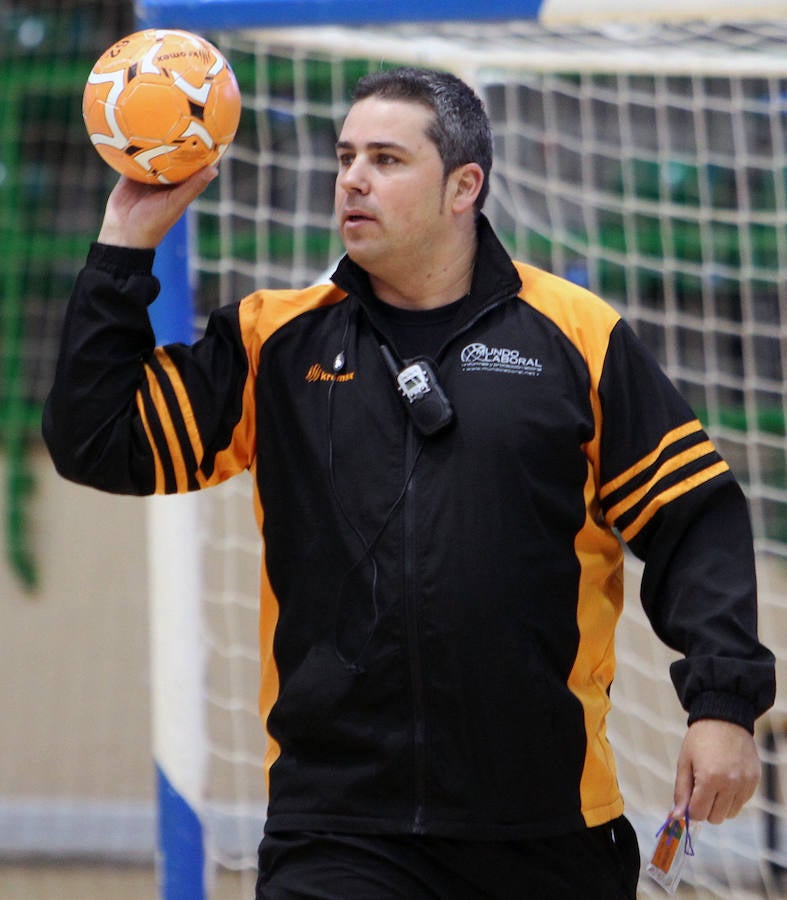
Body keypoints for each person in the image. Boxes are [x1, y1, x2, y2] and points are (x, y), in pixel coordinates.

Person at [43, 67, 775, 899]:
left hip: (546, 827)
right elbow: (98, 439)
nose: (352, 178)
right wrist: (123, 244)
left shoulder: (577, 336)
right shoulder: (272, 342)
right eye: (345, 156)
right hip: (337, 833)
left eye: (386, 159)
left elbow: (694, 521)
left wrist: (720, 703)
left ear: (464, 185)